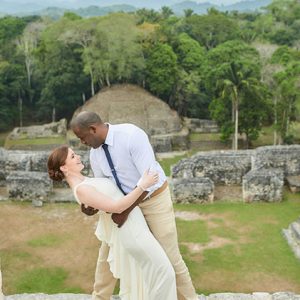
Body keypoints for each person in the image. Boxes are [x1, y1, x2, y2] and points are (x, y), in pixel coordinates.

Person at [70, 111, 198, 300]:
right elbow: (106, 187)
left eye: (82, 137)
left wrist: (124, 210)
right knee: (107, 252)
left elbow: (151, 179)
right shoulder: (95, 154)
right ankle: (99, 297)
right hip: (126, 204)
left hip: (154, 201)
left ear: (93, 129)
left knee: (171, 258)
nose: (82, 142)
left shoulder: (131, 136)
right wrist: (92, 207)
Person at [47, 146, 177, 300]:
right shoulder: (81, 189)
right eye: (73, 156)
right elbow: (117, 207)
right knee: (165, 272)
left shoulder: (86, 181)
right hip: (131, 231)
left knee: (149, 279)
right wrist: (143, 185)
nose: (79, 157)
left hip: (136, 225)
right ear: (64, 167)